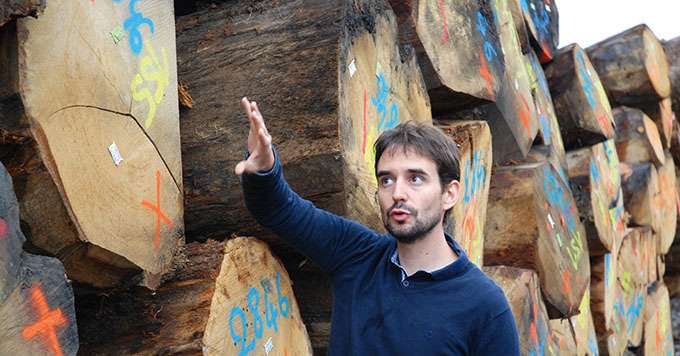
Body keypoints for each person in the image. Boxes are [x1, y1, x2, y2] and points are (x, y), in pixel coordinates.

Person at [236, 97, 520, 355]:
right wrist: (264, 167)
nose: (397, 192)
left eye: (415, 179)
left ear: (449, 193)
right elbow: (279, 209)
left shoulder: (485, 306)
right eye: (387, 180)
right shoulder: (357, 255)